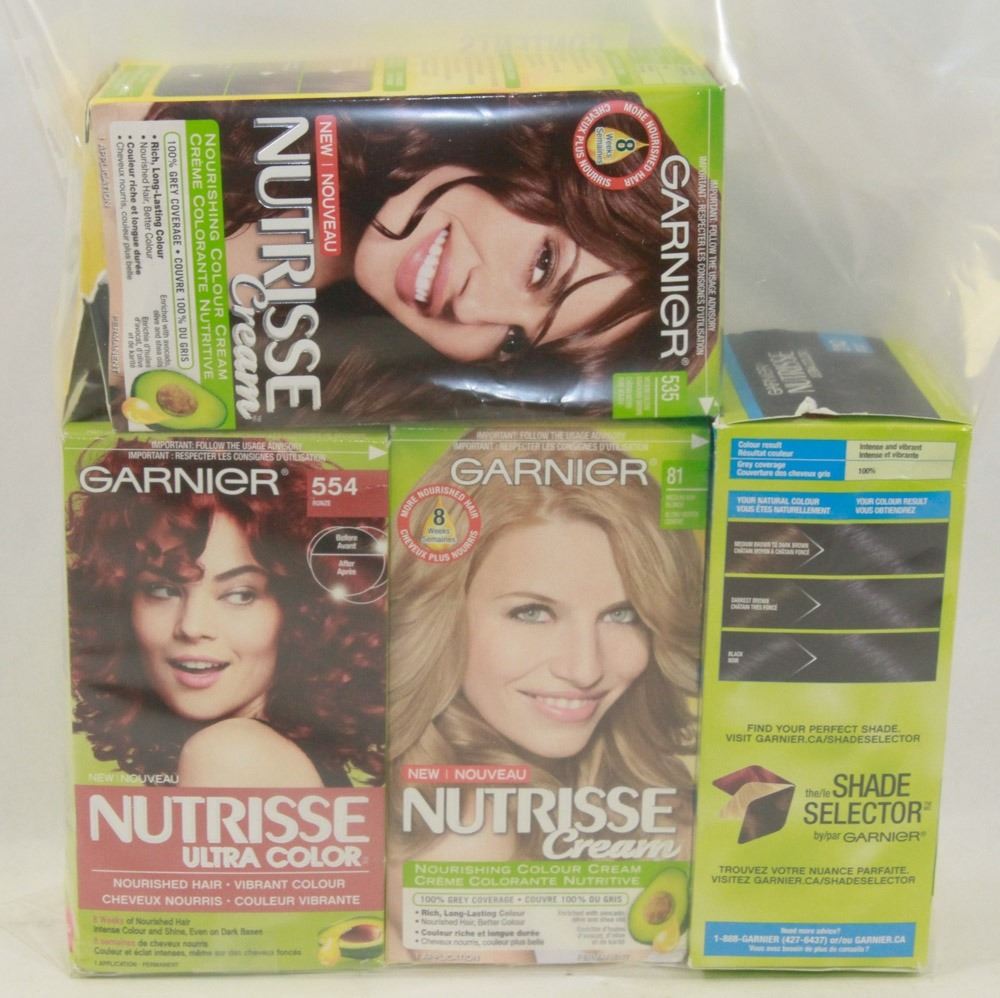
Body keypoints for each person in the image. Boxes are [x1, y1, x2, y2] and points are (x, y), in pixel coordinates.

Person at [142, 89, 717, 419]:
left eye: (515, 342)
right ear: (537, 162)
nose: (472, 310)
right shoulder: (225, 117)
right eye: (543, 265)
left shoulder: (309, 389)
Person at [386, 431, 703, 959]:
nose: (584, 669)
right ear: (441, 615)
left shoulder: (639, 790)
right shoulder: (464, 826)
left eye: (622, 614)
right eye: (532, 612)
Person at [66, 439, 385, 788]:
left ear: (300, 615)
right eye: (162, 590)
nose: (192, 626)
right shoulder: (273, 753)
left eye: (240, 594)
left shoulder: (231, 753)